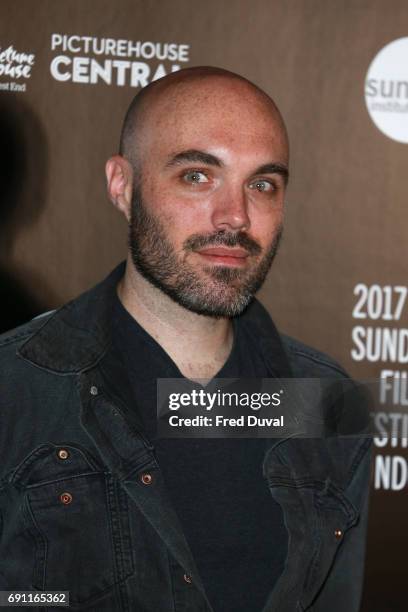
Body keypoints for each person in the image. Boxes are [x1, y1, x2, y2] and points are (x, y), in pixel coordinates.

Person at [0, 67, 371, 612]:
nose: (236, 216)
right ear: (121, 186)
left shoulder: (326, 399)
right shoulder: (16, 387)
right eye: (197, 175)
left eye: (262, 184)